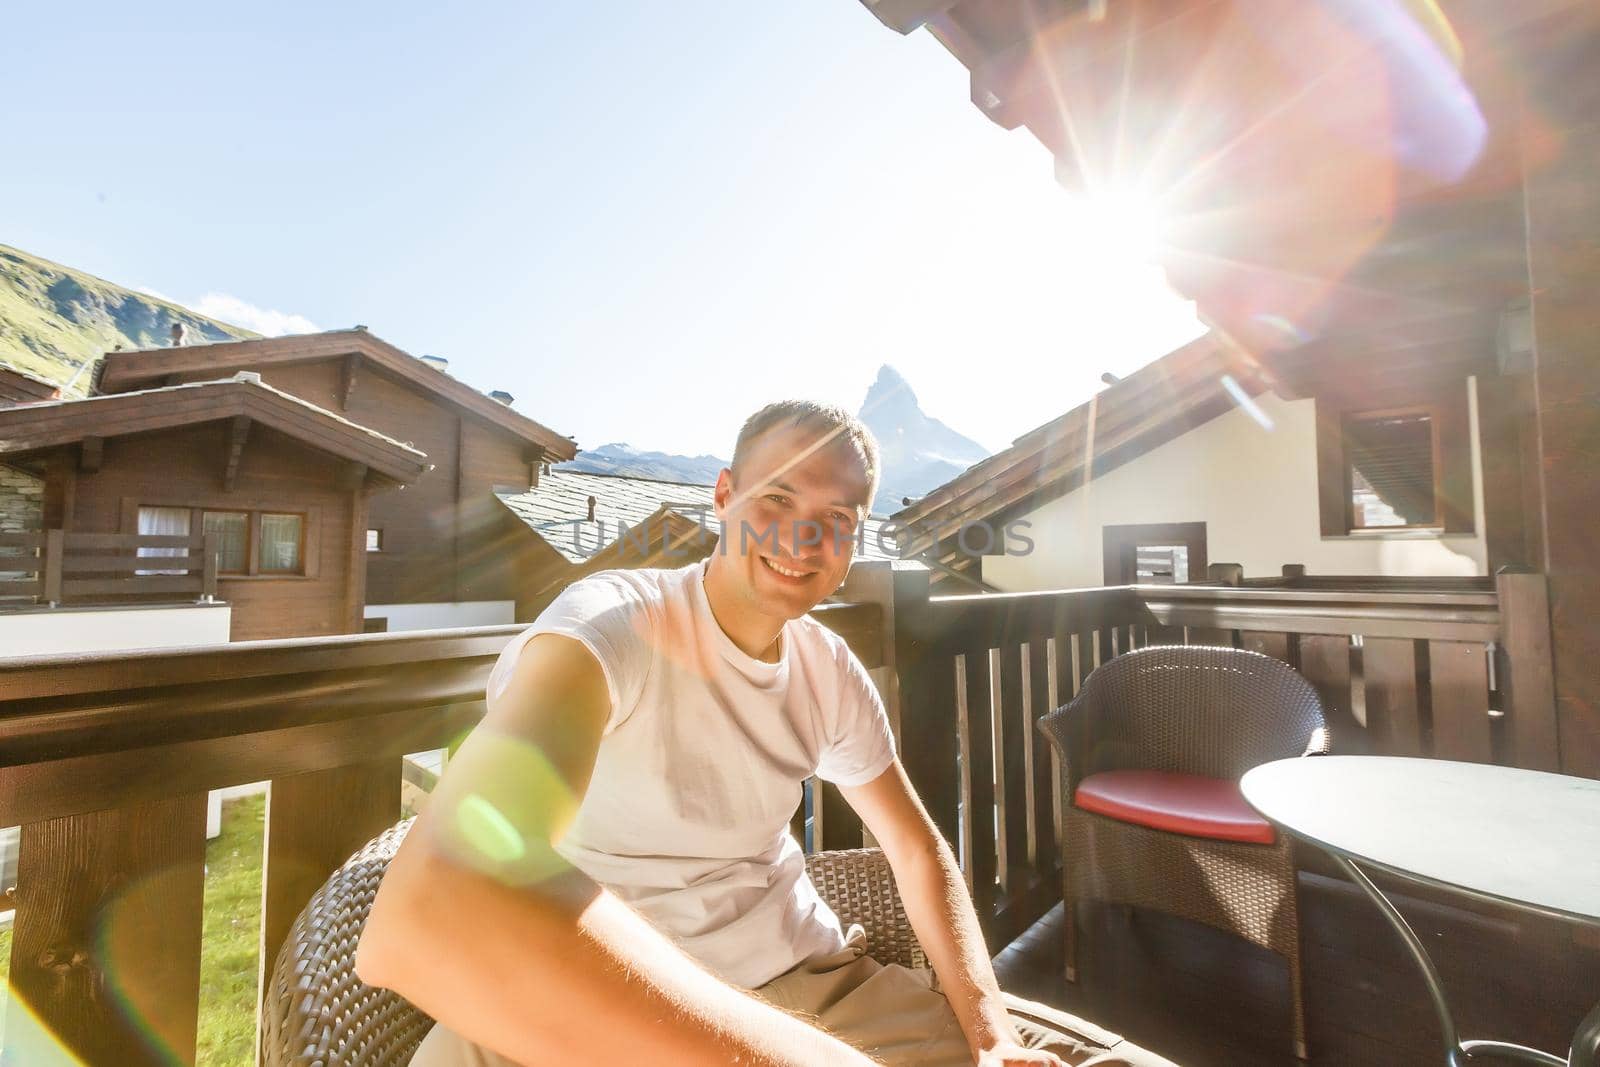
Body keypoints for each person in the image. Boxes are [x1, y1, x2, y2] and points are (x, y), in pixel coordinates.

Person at [357, 402, 1086, 1066]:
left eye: (839, 518)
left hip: (807, 986)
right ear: (722, 498)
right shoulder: (610, 630)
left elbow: (916, 847)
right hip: (591, 991)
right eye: (777, 498)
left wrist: (994, 1036)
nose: (806, 537)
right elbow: (431, 908)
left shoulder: (826, 667)